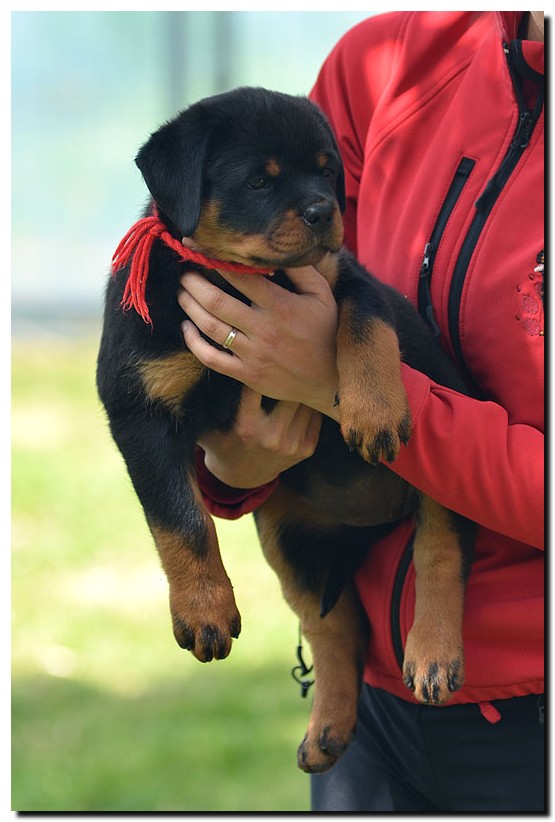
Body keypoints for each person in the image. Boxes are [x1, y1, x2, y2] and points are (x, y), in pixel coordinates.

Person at [177, 11, 544, 812]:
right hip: (368, 696)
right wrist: (235, 469)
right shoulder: (388, 63)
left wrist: (335, 386)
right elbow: (245, 277)